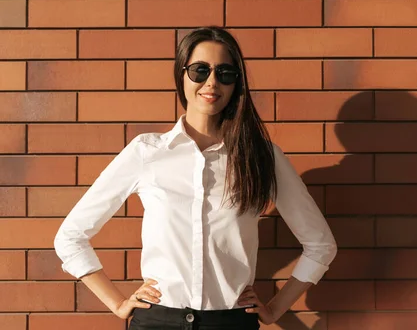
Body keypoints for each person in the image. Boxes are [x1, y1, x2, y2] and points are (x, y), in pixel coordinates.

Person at [54, 26, 337, 330]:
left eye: (225, 73)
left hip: (230, 323)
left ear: (236, 83)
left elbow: (321, 245)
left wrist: (274, 309)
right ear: (182, 75)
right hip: (157, 322)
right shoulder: (146, 152)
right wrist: (118, 303)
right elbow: (70, 237)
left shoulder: (261, 157)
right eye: (200, 70)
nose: (212, 82)